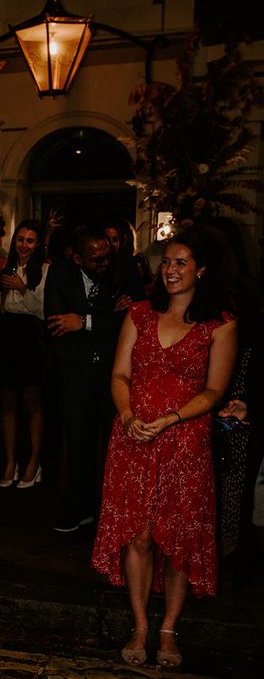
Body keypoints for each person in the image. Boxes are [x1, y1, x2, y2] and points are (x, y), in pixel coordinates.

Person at [92, 227, 237, 669]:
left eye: (181, 262)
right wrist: (129, 416)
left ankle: (169, 629)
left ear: (202, 270)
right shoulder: (139, 313)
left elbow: (214, 391)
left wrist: (171, 420)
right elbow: (119, 375)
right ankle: (139, 625)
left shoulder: (221, 324)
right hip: (133, 438)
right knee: (138, 535)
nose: (170, 270)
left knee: (175, 540)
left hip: (185, 441)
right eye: (166, 262)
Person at [44, 225, 137, 533]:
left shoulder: (124, 269)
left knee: (117, 445)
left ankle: (114, 511)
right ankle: (81, 508)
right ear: (78, 259)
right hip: (75, 372)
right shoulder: (60, 272)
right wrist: (105, 318)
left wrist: (83, 320)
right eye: (96, 259)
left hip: (115, 372)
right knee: (78, 442)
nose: (104, 263)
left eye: (107, 256)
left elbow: (132, 317)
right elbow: (57, 322)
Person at [0, 219, 49, 488]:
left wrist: (21, 287)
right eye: (20, 239)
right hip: (7, 334)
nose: (24, 245)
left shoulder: (45, 269)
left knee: (31, 400)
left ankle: (34, 461)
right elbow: (2, 308)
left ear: (38, 244)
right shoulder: (8, 267)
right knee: (6, 401)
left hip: (30, 335)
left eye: (30, 240)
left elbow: (42, 310)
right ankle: (10, 461)